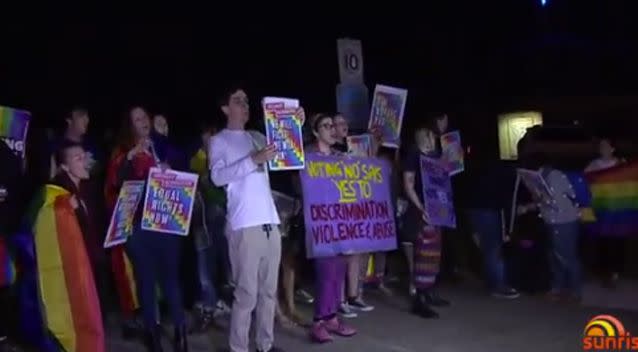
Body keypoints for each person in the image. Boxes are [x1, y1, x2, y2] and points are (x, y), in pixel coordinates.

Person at [210, 87, 301, 352]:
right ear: (226, 109)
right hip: (244, 224)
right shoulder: (220, 141)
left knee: (268, 292)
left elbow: (286, 153)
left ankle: (265, 344)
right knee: (246, 294)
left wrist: (295, 124)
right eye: (238, 101)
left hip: (269, 223)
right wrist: (253, 160)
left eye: (247, 101)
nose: (245, 105)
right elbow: (217, 177)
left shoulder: (258, 136)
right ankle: (238, 347)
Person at [108, 106, 188, 352]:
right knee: (146, 280)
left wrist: (170, 170)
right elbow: (116, 182)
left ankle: (180, 334)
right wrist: (132, 156)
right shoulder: (123, 153)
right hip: (139, 229)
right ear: (130, 126)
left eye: (145, 117)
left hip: (166, 224)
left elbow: (185, 168)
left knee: (171, 280)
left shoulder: (161, 145)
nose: (143, 121)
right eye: (137, 119)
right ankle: (152, 335)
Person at [21, 142, 105, 352]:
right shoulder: (54, 193)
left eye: (84, 156)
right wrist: (64, 209)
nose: (85, 161)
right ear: (64, 167)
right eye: (77, 158)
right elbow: (28, 226)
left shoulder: (86, 189)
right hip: (65, 276)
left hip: (88, 267)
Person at [305, 114, 357, 343]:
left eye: (333, 126)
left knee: (338, 271)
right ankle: (318, 322)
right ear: (316, 133)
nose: (333, 130)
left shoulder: (340, 157)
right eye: (327, 127)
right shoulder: (308, 157)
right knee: (326, 273)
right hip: (321, 223)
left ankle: (332, 318)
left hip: (340, 222)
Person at [518, 154, 582, 303]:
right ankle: (558, 288)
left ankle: (575, 291)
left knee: (567, 256)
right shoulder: (542, 177)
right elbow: (544, 201)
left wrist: (534, 199)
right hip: (552, 221)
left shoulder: (555, 177)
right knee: (554, 256)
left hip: (564, 221)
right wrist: (529, 205)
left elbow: (554, 202)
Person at [402, 126, 450, 319]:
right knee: (423, 255)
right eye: (431, 136)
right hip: (422, 212)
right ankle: (419, 299)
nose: (434, 139)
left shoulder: (436, 156)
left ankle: (430, 292)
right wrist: (420, 207)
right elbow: (408, 184)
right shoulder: (414, 156)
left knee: (434, 255)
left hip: (437, 211)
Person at [189, 123, 231, 332]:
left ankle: (220, 306)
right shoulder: (196, 160)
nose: (209, 142)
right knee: (204, 270)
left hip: (223, 220)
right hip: (201, 222)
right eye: (205, 138)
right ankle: (208, 308)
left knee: (225, 267)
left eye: (212, 138)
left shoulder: (225, 160)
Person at [465, 155, 520, 299]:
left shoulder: (488, 170)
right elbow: (508, 202)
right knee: (494, 249)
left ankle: (492, 282)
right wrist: (508, 230)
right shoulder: (510, 175)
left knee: (488, 248)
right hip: (488, 210)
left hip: (476, 208)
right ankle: (498, 285)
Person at [584, 138, 625, 288]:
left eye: (606, 145)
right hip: (600, 209)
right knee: (602, 240)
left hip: (617, 209)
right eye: (601, 146)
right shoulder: (594, 164)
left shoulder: (621, 164)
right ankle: (603, 271)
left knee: (617, 241)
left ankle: (615, 272)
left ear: (613, 148)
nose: (603, 148)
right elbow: (585, 181)